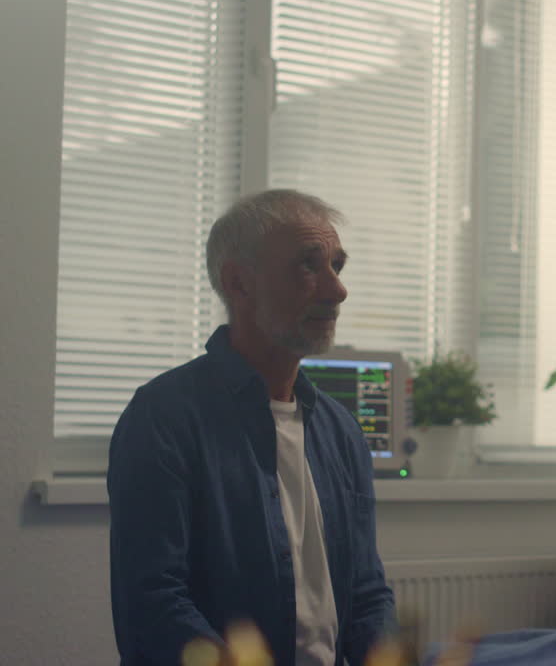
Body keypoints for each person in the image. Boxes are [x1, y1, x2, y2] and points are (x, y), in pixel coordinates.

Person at [108, 189, 396, 665]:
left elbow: (366, 592)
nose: (336, 289)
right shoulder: (163, 418)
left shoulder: (341, 432)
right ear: (239, 284)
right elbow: (153, 604)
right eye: (309, 265)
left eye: (337, 266)